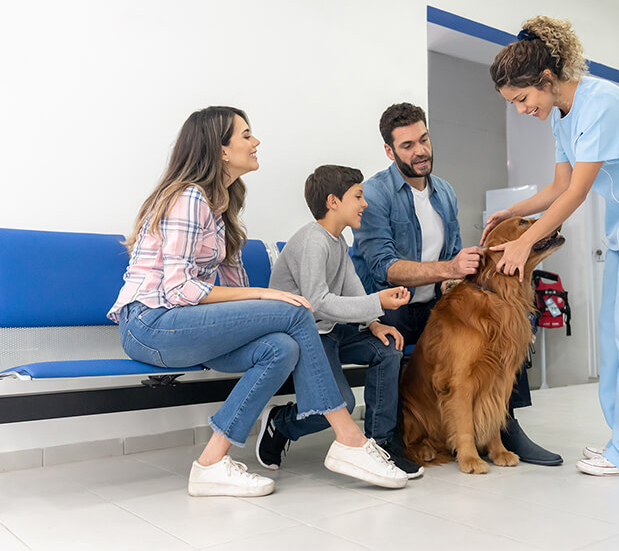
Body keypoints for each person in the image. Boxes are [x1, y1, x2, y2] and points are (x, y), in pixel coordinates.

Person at [107, 106, 408, 496]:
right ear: (221, 150)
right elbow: (178, 291)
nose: (256, 141)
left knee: (280, 348)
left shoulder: (221, 207)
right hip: (149, 324)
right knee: (296, 308)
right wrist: (267, 295)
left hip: (185, 326)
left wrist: (265, 302)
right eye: (246, 135)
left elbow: (235, 287)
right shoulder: (190, 198)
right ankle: (349, 440)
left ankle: (211, 463)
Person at [484, 16, 619, 477]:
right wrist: (508, 213)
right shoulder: (562, 116)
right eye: (512, 104)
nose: (522, 109)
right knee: (614, 335)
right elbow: (557, 186)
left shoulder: (601, 101)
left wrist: (525, 242)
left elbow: (577, 194)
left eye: (522, 99)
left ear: (546, 79)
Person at [352, 102, 563, 467]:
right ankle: (389, 440)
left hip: (436, 303)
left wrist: (462, 277)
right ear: (389, 150)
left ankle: (506, 426)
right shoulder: (376, 194)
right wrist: (449, 268)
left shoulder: (444, 192)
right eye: (407, 145)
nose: (419, 151)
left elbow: (452, 253)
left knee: (506, 323)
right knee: (405, 342)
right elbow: (384, 267)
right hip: (389, 308)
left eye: (424, 139)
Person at [259, 164, 424, 477]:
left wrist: (375, 323)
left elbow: (351, 287)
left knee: (387, 348)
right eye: (358, 196)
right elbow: (317, 303)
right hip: (305, 335)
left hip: (330, 332)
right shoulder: (313, 241)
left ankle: (380, 443)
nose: (365, 203)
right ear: (333, 202)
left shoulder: (338, 241)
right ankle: (281, 422)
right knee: (342, 405)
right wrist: (378, 302)